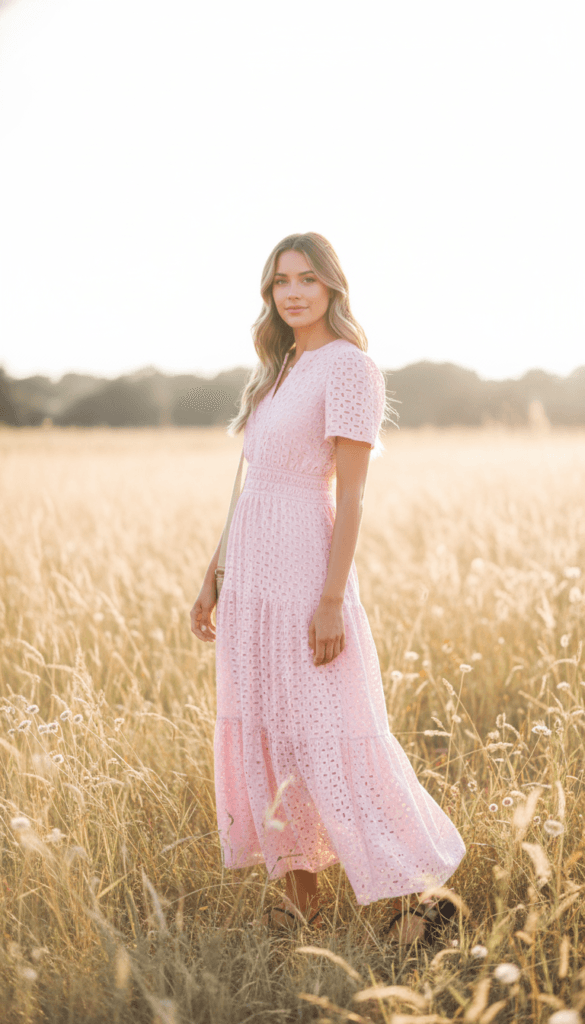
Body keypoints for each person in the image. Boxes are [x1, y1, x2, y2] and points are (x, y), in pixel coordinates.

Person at [190, 232, 465, 938]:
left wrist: (330, 599)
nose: (292, 291)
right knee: (271, 734)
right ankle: (299, 909)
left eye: (307, 278)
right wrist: (213, 576)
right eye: (280, 279)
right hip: (250, 575)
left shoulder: (348, 368)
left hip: (306, 572)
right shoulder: (279, 367)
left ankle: (416, 898)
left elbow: (352, 497)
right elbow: (252, 486)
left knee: (328, 729)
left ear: (332, 288)